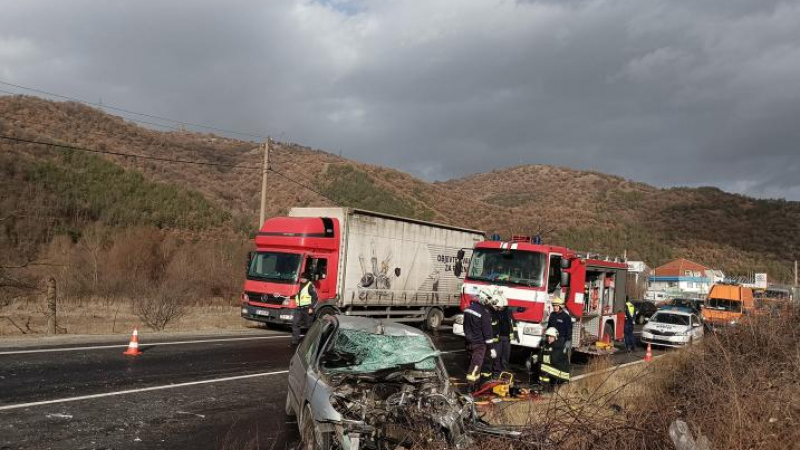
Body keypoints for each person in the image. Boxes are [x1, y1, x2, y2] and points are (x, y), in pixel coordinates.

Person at [463, 287, 496, 385]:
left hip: (469, 342)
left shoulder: (468, 309)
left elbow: (465, 327)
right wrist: (491, 348)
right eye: (489, 298)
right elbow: (488, 333)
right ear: (484, 297)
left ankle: (474, 384)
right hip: (479, 344)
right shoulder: (484, 313)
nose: (489, 301)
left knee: (471, 362)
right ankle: (471, 387)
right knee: (476, 365)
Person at [491, 291, 517, 376]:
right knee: (497, 357)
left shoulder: (508, 311)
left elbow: (513, 322)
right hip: (497, 338)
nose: (501, 308)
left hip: (507, 338)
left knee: (505, 357)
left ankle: (504, 373)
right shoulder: (494, 311)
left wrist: (516, 334)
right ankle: (496, 373)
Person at [290, 273, 318, 346]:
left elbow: (315, 298)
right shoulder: (300, 285)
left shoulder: (310, 286)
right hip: (299, 309)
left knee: (309, 326)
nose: (301, 279)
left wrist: (311, 308)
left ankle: (311, 343)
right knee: (295, 324)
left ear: (307, 279)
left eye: (303, 278)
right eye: (301, 278)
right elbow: (300, 296)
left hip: (307, 309)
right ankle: (295, 342)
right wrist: (292, 297)